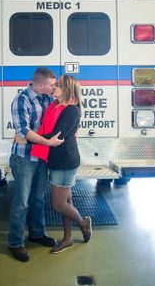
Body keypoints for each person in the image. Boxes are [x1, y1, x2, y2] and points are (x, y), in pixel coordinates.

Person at [30, 74, 92, 254]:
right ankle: (68, 238)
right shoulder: (55, 106)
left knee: (58, 205)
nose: (54, 86)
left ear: (66, 89)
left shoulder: (71, 110)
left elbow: (57, 135)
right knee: (67, 200)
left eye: (58, 84)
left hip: (66, 161)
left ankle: (83, 224)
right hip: (56, 159)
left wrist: (29, 139)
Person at [8, 67, 64, 262]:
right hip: (23, 158)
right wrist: (46, 141)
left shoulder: (48, 99)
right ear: (40, 85)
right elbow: (23, 130)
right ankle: (15, 243)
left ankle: (37, 233)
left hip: (41, 156)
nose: (54, 86)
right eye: (52, 84)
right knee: (22, 202)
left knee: (38, 199)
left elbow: (58, 115)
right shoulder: (21, 100)